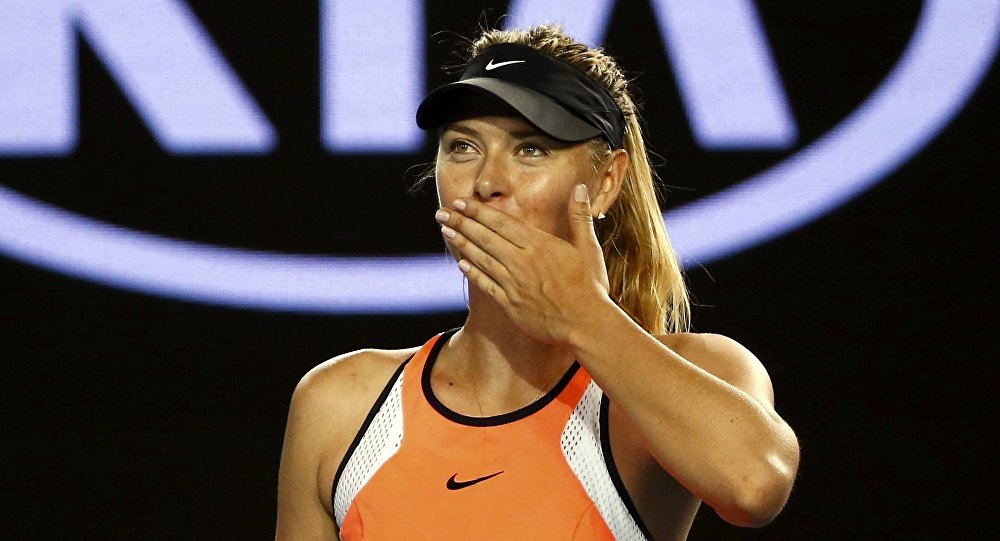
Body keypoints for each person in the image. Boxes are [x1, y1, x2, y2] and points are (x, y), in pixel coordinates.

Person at [274, 24, 799, 541]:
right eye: (462, 146)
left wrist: (583, 315)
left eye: (531, 150)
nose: (486, 183)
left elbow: (754, 487)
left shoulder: (699, 370)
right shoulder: (341, 403)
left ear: (605, 183)